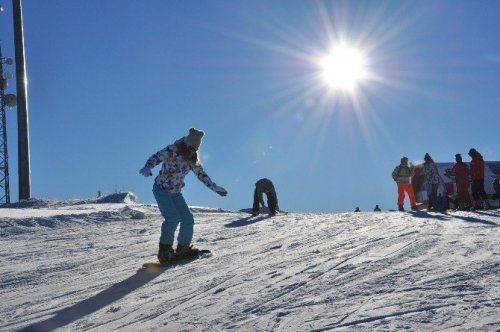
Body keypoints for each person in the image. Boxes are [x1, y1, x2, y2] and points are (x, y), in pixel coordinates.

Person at [139, 128, 228, 264]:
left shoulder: (192, 159)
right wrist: (148, 166)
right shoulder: (172, 150)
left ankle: (183, 249)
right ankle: (165, 252)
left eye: (195, 149)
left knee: (187, 219)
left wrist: (215, 188)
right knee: (173, 218)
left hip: (176, 193)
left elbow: (201, 175)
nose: (192, 151)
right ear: (186, 143)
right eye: (191, 147)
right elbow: (157, 156)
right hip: (161, 189)